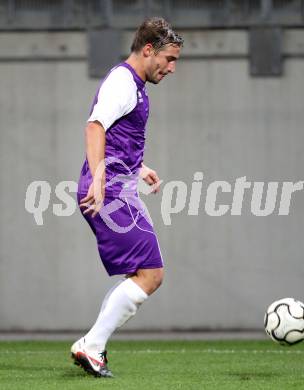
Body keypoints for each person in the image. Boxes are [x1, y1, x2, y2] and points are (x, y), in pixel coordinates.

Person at [71, 17, 183, 378]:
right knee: (151, 274)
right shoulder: (123, 81)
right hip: (111, 193)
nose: (172, 68)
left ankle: (91, 344)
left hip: (120, 187)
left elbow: (116, 136)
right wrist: (100, 177)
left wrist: (138, 167)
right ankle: (91, 346)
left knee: (143, 273)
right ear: (148, 50)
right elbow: (95, 126)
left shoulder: (134, 86)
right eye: (169, 59)